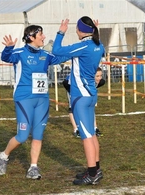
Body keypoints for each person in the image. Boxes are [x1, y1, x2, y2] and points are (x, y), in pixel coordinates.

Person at [0, 25, 70, 179]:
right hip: (24, 99)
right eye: (41, 34)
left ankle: (33, 168)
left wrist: (62, 35)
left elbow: (62, 56)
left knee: (38, 135)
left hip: (42, 99)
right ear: (31, 36)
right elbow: (6, 58)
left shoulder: (45, 54)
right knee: (22, 136)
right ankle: (3, 156)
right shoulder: (20, 53)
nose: (43, 37)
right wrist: (9, 48)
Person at [52, 16, 105, 185]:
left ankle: (92, 174)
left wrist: (61, 32)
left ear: (81, 30)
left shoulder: (83, 46)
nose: (75, 31)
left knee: (86, 136)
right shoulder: (99, 45)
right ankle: (95, 169)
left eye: (77, 28)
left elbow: (56, 51)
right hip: (91, 94)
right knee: (92, 133)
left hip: (80, 96)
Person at [63, 67, 105, 138]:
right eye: (97, 76)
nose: (100, 78)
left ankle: (95, 128)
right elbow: (65, 83)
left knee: (90, 107)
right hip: (72, 87)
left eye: (101, 75)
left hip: (84, 89)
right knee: (72, 108)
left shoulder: (100, 81)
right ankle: (76, 129)